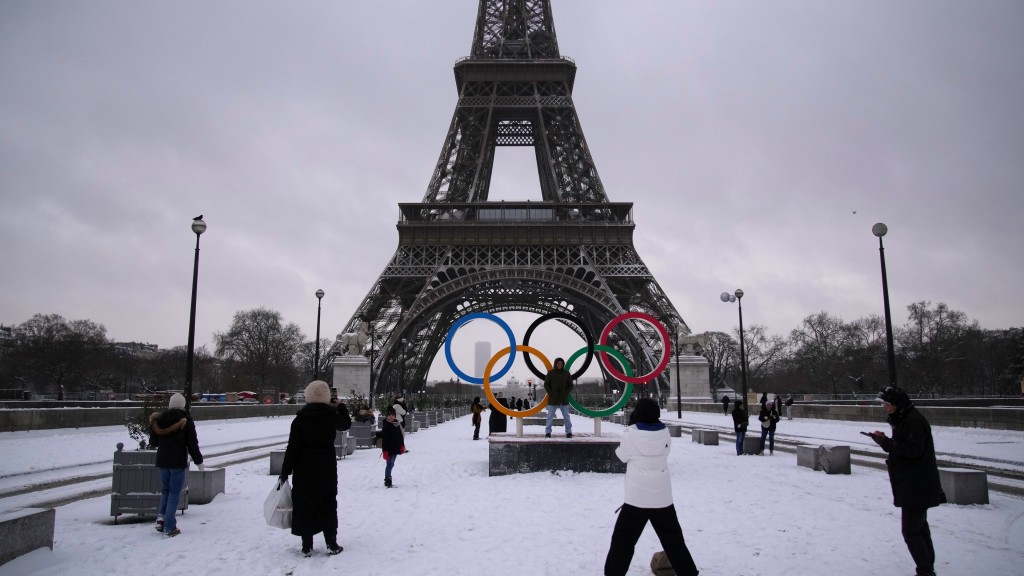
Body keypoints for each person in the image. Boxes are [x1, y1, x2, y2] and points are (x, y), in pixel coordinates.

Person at [603, 398, 700, 576]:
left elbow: (621, 456)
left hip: (636, 499)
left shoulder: (631, 434)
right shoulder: (665, 433)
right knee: (674, 541)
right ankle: (689, 572)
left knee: (622, 542)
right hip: (662, 498)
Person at [866, 387, 945, 576]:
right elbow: (907, 447)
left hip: (916, 485)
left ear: (898, 404)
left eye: (887, 404)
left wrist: (886, 443)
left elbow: (912, 450)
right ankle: (927, 568)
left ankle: (926, 571)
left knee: (911, 531)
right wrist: (885, 440)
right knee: (919, 529)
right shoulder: (907, 419)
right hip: (914, 483)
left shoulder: (913, 420)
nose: (884, 407)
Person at [279, 380, 352, 557]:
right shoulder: (331, 416)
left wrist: (285, 472)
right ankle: (331, 542)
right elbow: (346, 424)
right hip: (326, 466)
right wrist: (341, 406)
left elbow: (292, 448)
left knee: (304, 504)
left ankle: (306, 545)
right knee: (328, 503)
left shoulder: (300, 419)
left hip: (304, 468)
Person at [148, 392, 203, 537]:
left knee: (165, 491)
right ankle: (170, 527)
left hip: (162, 461)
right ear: (182, 405)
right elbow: (192, 445)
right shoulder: (186, 421)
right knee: (174, 493)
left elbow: (153, 442)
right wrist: (199, 461)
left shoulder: (158, 420)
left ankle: (161, 518)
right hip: (177, 461)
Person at [544, 357, 574, 438]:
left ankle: (569, 432)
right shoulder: (550, 373)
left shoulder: (566, 373)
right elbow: (546, 384)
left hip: (563, 398)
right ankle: (548, 432)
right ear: (555, 364)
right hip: (553, 398)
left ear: (563, 364)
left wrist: (565, 392)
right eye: (558, 363)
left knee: (566, 416)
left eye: (561, 363)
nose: (559, 365)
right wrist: (551, 393)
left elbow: (570, 385)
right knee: (550, 416)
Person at [380, 407, 405, 487]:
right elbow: (384, 440)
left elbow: (400, 436)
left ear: (395, 416)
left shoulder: (397, 424)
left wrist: (402, 445)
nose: (390, 417)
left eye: (392, 415)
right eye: (389, 415)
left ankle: (388, 477)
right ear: (387, 416)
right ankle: (387, 479)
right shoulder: (386, 426)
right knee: (389, 464)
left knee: (392, 464)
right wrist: (385, 451)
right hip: (389, 449)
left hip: (396, 448)